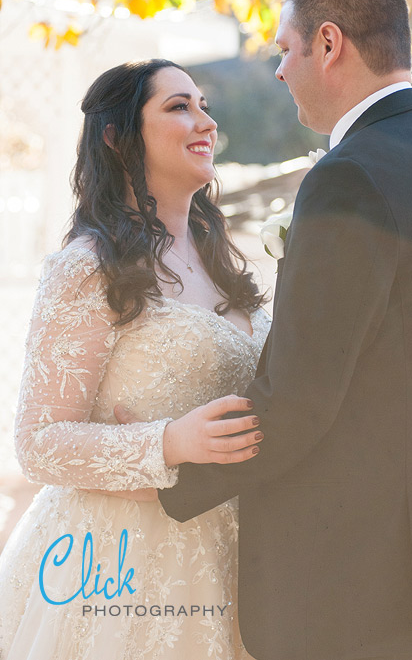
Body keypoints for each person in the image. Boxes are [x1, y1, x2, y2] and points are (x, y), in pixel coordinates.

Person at [143, 0, 412, 660]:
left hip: (345, 592)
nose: (278, 71)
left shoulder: (350, 178)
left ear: (329, 43)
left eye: (285, 49)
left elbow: (303, 399)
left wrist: (165, 472)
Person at [0, 59, 271, 660]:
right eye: (179, 107)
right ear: (117, 136)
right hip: (118, 565)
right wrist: (168, 442)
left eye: (203, 104)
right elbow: (39, 441)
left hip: (232, 552)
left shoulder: (220, 254)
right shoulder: (89, 264)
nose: (205, 120)